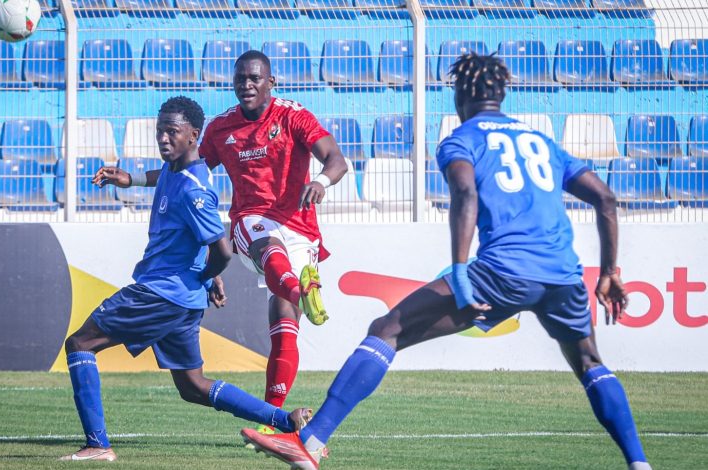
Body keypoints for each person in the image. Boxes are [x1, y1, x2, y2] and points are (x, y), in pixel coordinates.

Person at [240, 53, 652, 470]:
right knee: (590, 363)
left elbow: (466, 195)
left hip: (501, 271)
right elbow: (605, 198)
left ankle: (310, 441)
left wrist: (459, 273)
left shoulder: (462, 141)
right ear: (502, 93)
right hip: (562, 273)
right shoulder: (540, 141)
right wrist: (610, 273)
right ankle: (638, 463)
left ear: (459, 95)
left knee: (388, 328)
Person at [59, 96, 312, 462]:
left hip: (160, 294)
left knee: (80, 344)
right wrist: (128, 179)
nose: (163, 138)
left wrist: (206, 277)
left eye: (172, 132)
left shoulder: (195, 189)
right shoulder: (175, 170)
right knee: (193, 386)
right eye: (160, 131)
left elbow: (222, 251)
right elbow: (162, 179)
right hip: (180, 301)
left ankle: (98, 445)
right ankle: (282, 420)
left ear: (194, 136)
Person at [199, 50, 348, 437]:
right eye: (240, 79)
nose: (246, 85)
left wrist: (321, 182)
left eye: (254, 78)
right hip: (251, 222)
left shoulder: (292, 115)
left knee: (284, 324)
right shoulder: (220, 129)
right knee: (268, 249)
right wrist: (135, 181)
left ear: (270, 82)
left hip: (299, 225)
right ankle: (303, 288)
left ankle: (272, 422)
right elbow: (188, 171)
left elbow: (335, 159)